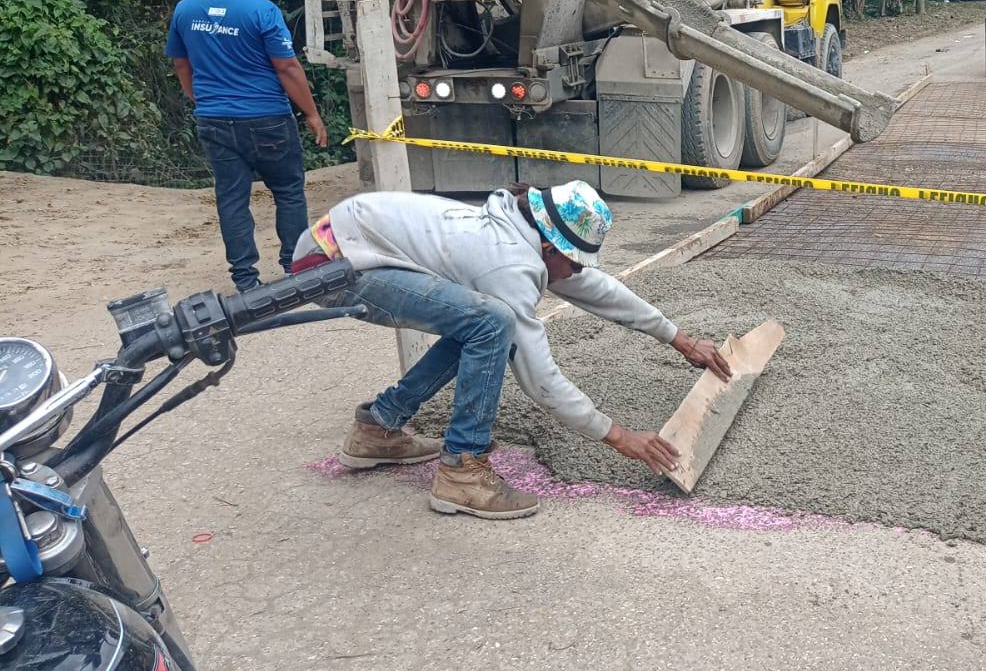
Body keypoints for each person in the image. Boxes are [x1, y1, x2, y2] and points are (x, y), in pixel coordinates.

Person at [292, 180, 734, 521]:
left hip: (343, 245)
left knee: (480, 323)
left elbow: (598, 290)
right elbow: (541, 380)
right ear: (550, 247)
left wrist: (678, 338)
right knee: (493, 322)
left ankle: (378, 427)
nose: (577, 272)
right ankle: (463, 469)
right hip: (331, 268)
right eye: (575, 261)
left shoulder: (525, 232)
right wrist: (620, 437)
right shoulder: (509, 263)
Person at [167, 0, 327, 292]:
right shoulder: (262, 11)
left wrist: (199, 98)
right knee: (287, 190)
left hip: (214, 119)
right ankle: (295, 266)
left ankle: (244, 278)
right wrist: (312, 114)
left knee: (231, 197)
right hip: (267, 118)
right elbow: (286, 67)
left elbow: (181, 63)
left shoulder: (186, 9)